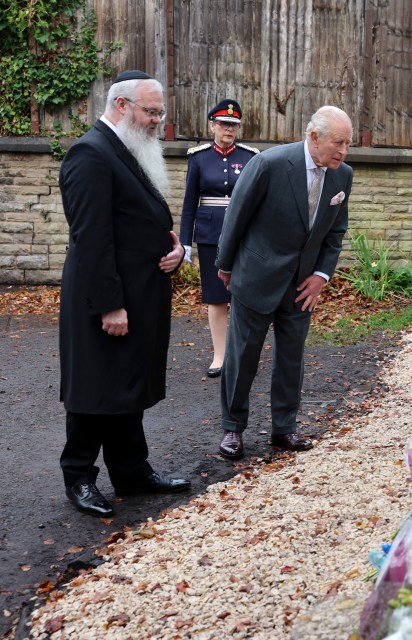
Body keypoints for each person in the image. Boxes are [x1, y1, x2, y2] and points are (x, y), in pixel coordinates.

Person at [58, 69, 191, 517]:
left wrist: (175, 250)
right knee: (96, 388)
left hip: (138, 294)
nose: (157, 121)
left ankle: (131, 472)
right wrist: (110, 304)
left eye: (160, 113)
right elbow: (91, 238)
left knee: (127, 385)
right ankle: (79, 476)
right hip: (104, 299)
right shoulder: (90, 153)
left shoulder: (126, 148)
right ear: (121, 105)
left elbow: (138, 220)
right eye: (151, 112)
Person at [215, 105, 353, 459]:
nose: (343, 151)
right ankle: (233, 428)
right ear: (314, 137)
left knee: (292, 359)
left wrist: (321, 275)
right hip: (256, 277)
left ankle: (284, 428)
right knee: (242, 357)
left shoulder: (343, 176)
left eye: (348, 144)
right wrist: (225, 265)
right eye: (338, 142)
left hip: (302, 286)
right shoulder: (270, 164)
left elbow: (335, 233)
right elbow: (236, 215)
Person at [179, 100, 259, 377]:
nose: (229, 129)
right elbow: (189, 203)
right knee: (216, 296)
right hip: (210, 234)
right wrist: (185, 242)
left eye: (234, 125)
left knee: (243, 296)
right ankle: (220, 355)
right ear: (212, 125)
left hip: (243, 235)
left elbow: (258, 201)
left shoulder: (250, 157)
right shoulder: (198, 158)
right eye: (224, 124)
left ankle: (241, 355)